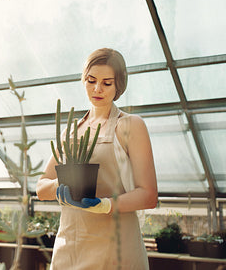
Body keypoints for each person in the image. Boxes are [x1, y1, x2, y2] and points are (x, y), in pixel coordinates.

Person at [36, 48, 158, 270]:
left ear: (119, 85)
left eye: (107, 83)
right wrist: (60, 186)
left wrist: (104, 205)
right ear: (83, 80)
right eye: (91, 81)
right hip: (69, 248)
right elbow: (41, 188)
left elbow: (149, 195)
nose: (97, 89)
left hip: (115, 251)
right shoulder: (71, 132)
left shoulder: (130, 126)